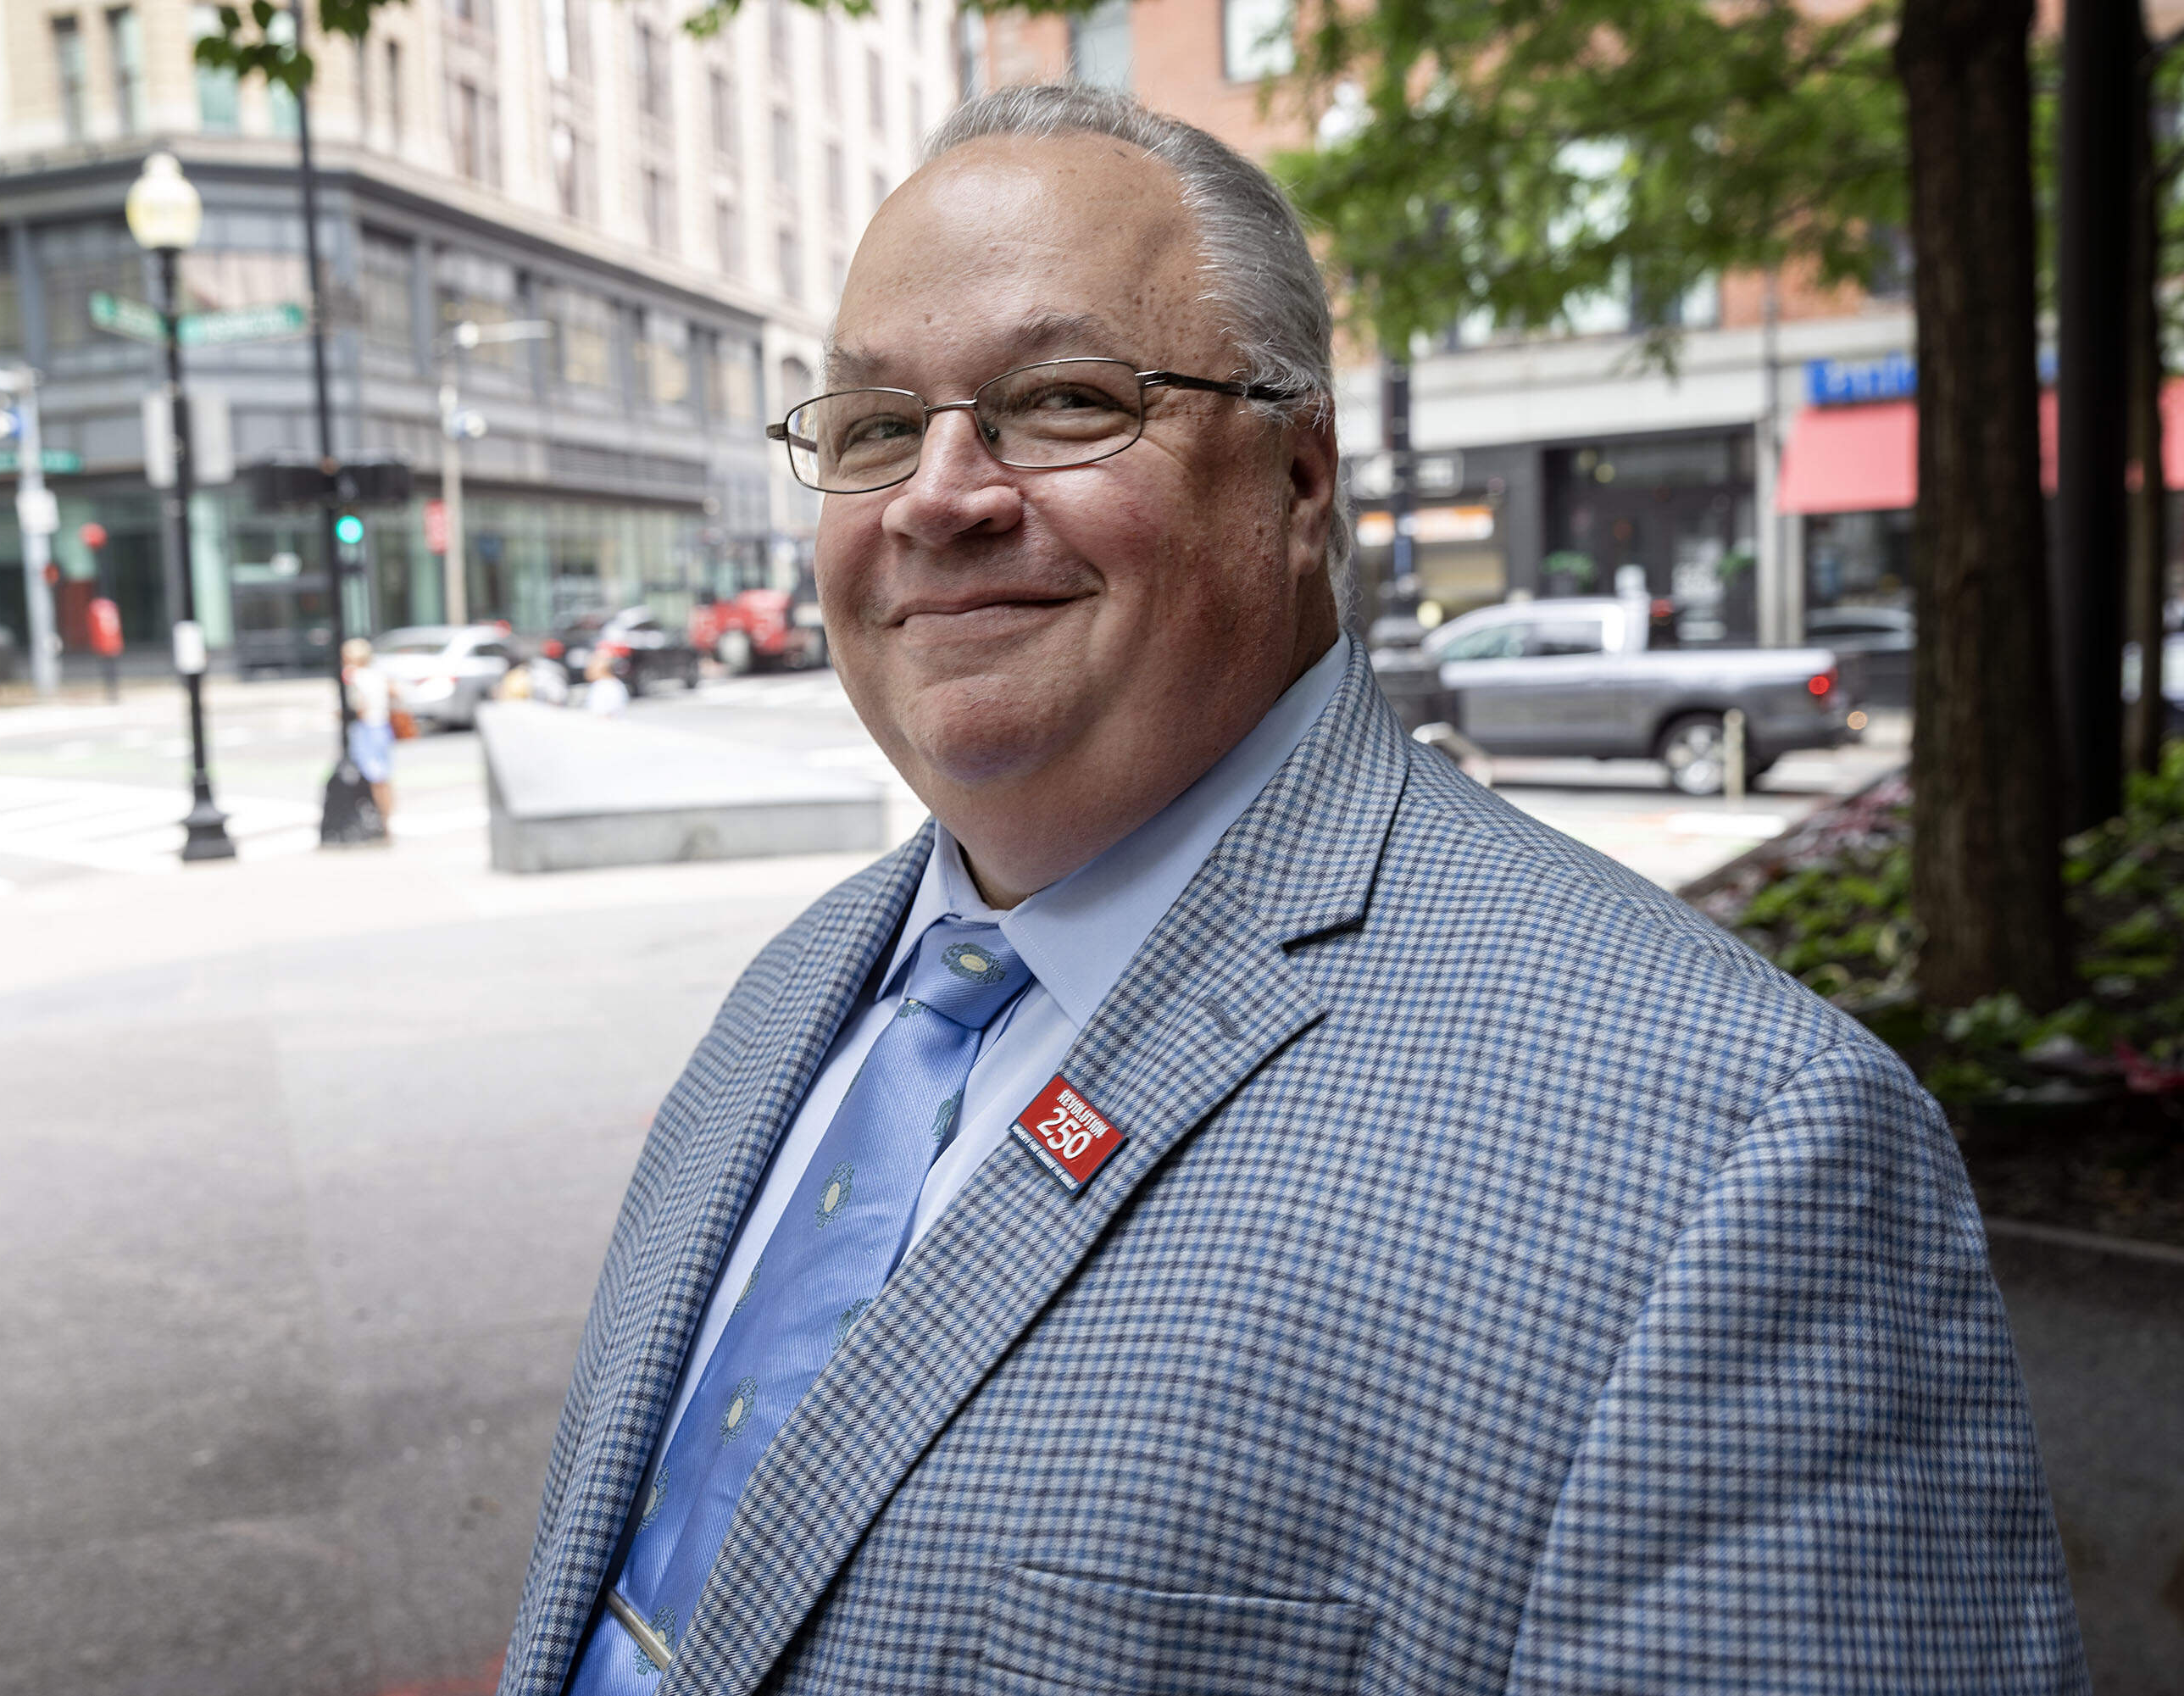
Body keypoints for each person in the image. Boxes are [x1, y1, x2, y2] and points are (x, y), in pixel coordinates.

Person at [502, 87, 2081, 1696]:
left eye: (1057, 401)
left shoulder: (1733, 1155)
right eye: (875, 428)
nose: (937, 496)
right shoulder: (797, 991)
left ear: (1300, 476)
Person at [340, 636, 397, 838]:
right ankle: (386, 819)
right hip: (382, 727)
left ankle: (381, 823)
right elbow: (394, 692)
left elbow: (359, 707)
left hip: (367, 730)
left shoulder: (355, 677)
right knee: (383, 777)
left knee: (373, 776)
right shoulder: (377, 674)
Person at [582, 648, 630, 719]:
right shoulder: (601, 684)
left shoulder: (609, 686)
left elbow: (607, 716)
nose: (588, 669)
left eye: (593, 664)